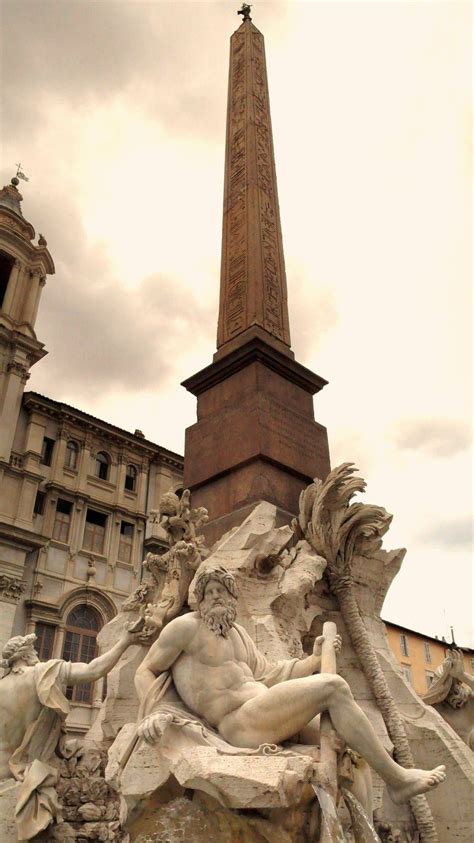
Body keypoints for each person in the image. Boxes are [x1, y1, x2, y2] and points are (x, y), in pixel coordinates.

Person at [135, 565, 446, 806]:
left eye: (222, 590)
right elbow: (146, 669)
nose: (216, 596)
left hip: (264, 712)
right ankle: (397, 780)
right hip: (238, 724)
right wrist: (152, 711)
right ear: (198, 599)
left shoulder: (239, 634)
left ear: (232, 598)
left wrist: (312, 660)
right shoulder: (185, 628)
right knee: (333, 688)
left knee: (351, 755)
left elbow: (270, 674)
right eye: (209, 591)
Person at [0, 623, 140, 839]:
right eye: (34, 650)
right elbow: (93, 670)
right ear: (26, 655)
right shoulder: (41, 673)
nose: (37, 654)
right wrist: (126, 640)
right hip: (25, 784)